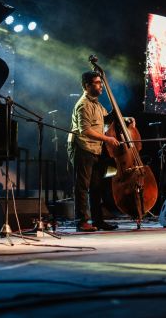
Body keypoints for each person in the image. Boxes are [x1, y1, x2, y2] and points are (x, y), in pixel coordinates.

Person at [67, 71, 133, 232]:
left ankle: (97, 220)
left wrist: (125, 119)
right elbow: (86, 130)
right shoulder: (83, 105)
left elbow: (107, 118)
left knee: (96, 187)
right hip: (82, 148)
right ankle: (81, 222)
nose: (101, 85)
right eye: (97, 83)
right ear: (87, 86)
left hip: (95, 149)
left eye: (100, 82)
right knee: (82, 186)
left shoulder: (97, 104)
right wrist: (108, 139)